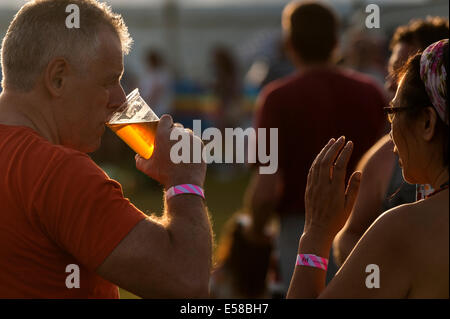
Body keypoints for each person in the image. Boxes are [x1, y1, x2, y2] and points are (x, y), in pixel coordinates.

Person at [0, 0, 212, 298]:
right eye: (110, 80)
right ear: (57, 77)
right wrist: (184, 181)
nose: (121, 100)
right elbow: (187, 283)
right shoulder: (59, 172)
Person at [287, 39, 449, 298]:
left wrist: (315, 236)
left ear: (427, 122)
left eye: (393, 111)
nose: (390, 132)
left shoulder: (404, 230)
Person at [244, 0, 386, 294]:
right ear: (336, 41)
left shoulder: (277, 99)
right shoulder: (371, 93)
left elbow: (266, 189)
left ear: (289, 43)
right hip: (367, 232)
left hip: (302, 232)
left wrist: (255, 233)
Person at [333, 17, 449, 266]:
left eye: (402, 72)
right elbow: (349, 236)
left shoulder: (398, 223)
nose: (389, 84)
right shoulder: (385, 153)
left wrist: (311, 242)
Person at [139, 49, 174, 116]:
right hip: (152, 109)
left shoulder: (161, 74)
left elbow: (156, 93)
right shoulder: (148, 73)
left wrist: (147, 107)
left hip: (159, 109)